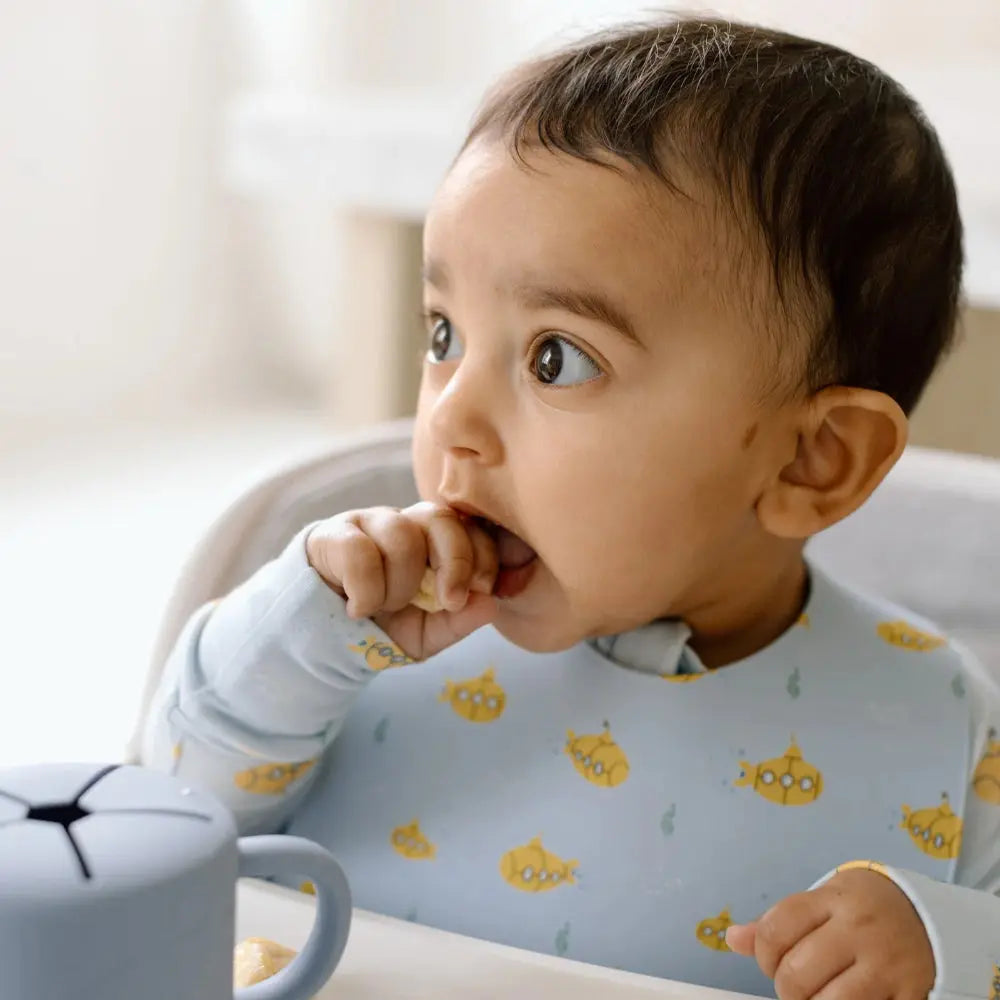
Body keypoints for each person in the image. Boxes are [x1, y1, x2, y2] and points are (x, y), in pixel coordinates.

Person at [141, 16, 1000, 999]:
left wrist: (946, 949)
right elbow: (166, 815)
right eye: (442, 333)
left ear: (813, 459)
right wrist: (296, 640)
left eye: (558, 356)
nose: (451, 416)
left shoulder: (934, 718)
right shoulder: (350, 637)